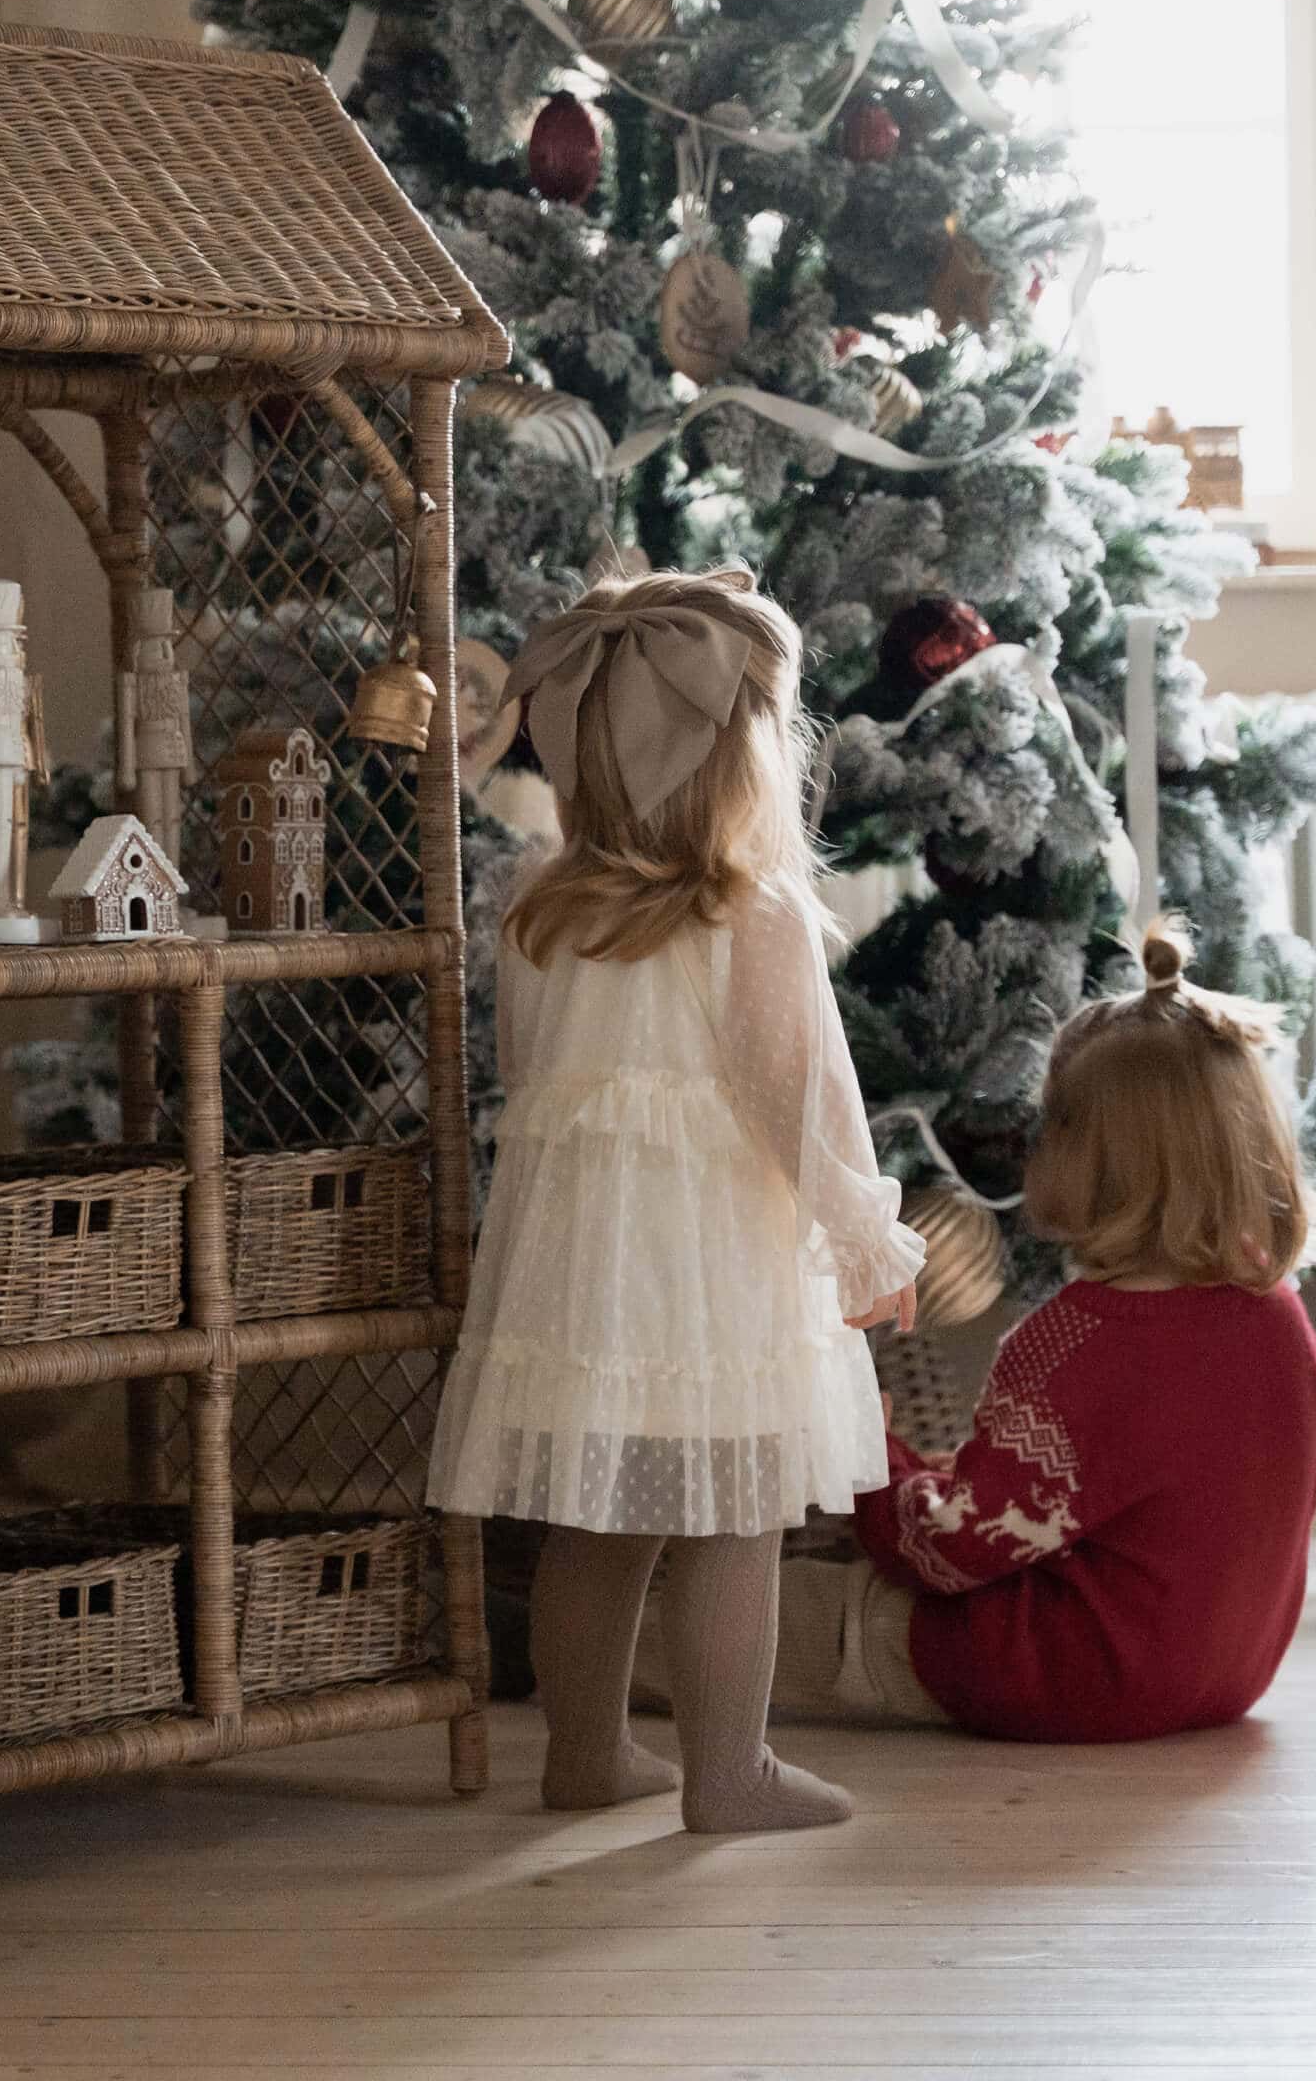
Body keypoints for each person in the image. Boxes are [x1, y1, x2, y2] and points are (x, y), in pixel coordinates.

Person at [428, 568, 924, 1830]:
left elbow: (545, 1088)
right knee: (735, 1521)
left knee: (599, 1526)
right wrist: (865, 1236)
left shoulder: (539, 909)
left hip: (591, 1270)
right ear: (735, 759)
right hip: (712, 1264)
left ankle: (584, 1754)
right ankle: (729, 1772)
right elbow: (798, 1095)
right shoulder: (747, 915)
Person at [715, 919, 1316, 1743]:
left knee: (789, 1610)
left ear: (1090, 1157)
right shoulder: (1283, 1319)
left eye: (1052, 1124)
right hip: (1222, 1671)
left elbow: (945, 1552)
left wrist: (873, 1460)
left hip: (1071, 1674)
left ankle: (541, 1652)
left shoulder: (1081, 1340)